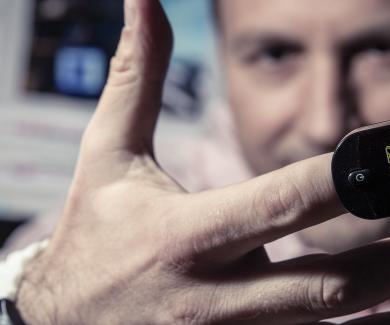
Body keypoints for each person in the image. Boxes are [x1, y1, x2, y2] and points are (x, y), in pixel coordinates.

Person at [4, 0, 390, 323]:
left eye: (380, 49)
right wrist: (46, 309)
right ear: (222, 63)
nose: (324, 124)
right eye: (275, 54)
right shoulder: (115, 223)